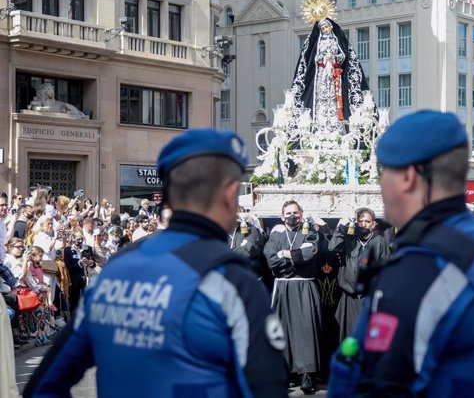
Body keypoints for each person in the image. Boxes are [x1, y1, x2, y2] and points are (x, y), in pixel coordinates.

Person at [24, 128, 289, 398]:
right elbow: (267, 386)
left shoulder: (116, 269)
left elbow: (45, 384)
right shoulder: (229, 281)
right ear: (230, 192)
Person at [328, 110, 474, 397]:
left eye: (384, 173)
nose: (381, 186)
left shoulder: (421, 272)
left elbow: (375, 387)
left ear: (408, 177)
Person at [264, 200, 322, 394]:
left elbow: (310, 253)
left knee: (306, 329)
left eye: (296, 213)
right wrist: (293, 258)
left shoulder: (310, 233)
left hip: (304, 285)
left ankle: (307, 374)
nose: (292, 216)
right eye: (288, 213)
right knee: (283, 328)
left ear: (301, 215)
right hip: (282, 287)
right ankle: (285, 373)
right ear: (282, 216)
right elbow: (271, 258)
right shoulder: (276, 235)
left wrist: (285, 255)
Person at [292, 18, 369, 134]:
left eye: (326, 27)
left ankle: (337, 125)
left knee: (335, 98)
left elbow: (343, 55)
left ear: (331, 27)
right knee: (321, 97)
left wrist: (333, 58)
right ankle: (319, 125)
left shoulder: (336, 40)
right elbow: (314, 58)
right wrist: (323, 59)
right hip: (321, 75)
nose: (325, 30)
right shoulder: (319, 42)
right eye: (322, 28)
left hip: (335, 74)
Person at [328, 207, 390, 342]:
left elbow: (385, 269)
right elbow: (332, 248)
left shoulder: (380, 241)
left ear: (374, 224)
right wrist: (341, 228)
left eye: (367, 221)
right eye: (360, 221)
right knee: (349, 336)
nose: (363, 224)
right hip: (349, 297)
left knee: (367, 336)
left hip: (369, 297)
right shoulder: (350, 239)